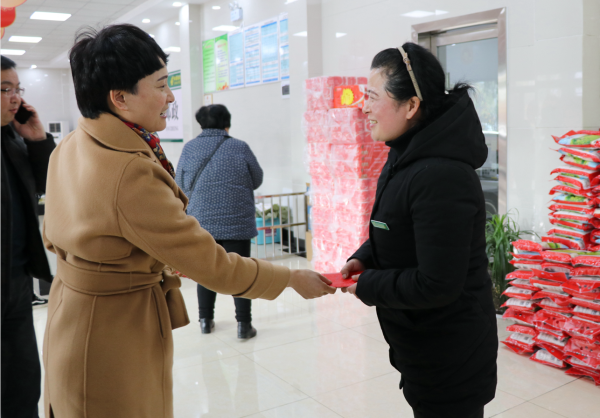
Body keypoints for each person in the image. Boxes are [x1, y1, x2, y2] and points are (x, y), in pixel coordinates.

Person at [41, 24, 335, 417]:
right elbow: (212, 266)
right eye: (161, 85)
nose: (171, 97)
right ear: (120, 98)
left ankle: (207, 318)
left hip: (72, 316)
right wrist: (290, 278)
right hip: (112, 332)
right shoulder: (129, 171)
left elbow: (54, 234)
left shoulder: (71, 144)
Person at [340, 43, 498, 418]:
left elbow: (437, 284)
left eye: (372, 97)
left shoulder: (441, 175)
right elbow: (398, 227)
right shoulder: (405, 154)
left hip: (451, 357)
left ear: (411, 105)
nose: (363, 107)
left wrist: (369, 285)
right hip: (422, 347)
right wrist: (364, 257)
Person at [176, 104, 263, 339]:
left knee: (206, 271)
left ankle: (206, 320)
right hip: (237, 223)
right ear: (227, 123)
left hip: (201, 224)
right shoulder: (240, 147)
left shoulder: (190, 148)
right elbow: (257, 179)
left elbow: (179, 183)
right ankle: (244, 325)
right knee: (241, 272)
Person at [1, 55, 55, 418]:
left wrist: (37, 141)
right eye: (5, 89)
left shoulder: (13, 138)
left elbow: (48, 185)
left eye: (17, 89)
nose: (15, 98)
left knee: (23, 383)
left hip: (16, 281)